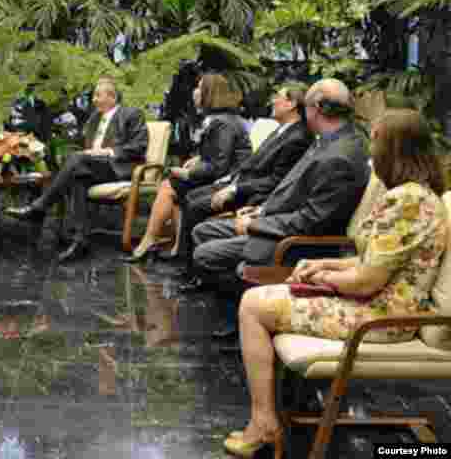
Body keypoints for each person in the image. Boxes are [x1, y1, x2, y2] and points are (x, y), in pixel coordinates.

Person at [222, 109, 447, 457]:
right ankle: (268, 418)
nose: (371, 153)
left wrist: (323, 277)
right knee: (260, 297)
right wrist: (323, 263)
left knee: (253, 306)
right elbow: (376, 261)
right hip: (380, 306)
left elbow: (365, 282)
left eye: (375, 141)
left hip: (381, 319)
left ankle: (264, 424)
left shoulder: (407, 201)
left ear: (395, 148)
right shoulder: (417, 196)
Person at [191, 78, 371, 339]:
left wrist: (255, 225)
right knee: (203, 232)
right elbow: (292, 190)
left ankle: (244, 320)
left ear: (314, 109)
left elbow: (311, 221)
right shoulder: (329, 139)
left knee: (206, 253)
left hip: (295, 244)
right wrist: (260, 211)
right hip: (275, 220)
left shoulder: (338, 156)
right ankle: (235, 315)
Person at [175, 83, 313, 292]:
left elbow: (276, 180)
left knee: (196, 205)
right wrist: (230, 180)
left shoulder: (298, 137)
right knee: (191, 195)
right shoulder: (280, 131)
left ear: (292, 103)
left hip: (256, 194)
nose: (272, 101)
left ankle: (197, 274)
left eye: (278, 96)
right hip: (241, 183)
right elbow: (252, 163)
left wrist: (235, 190)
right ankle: (190, 265)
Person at [7, 78, 149, 262]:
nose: (94, 100)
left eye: (98, 95)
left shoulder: (131, 114)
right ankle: (80, 241)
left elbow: (139, 146)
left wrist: (107, 151)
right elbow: (81, 145)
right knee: (78, 176)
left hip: (118, 167)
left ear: (112, 97)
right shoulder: (94, 119)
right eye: (94, 96)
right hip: (93, 167)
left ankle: (40, 207)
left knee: (77, 161)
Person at [128, 73, 251, 262]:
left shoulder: (222, 123)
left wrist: (188, 172)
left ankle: (152, 241)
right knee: (173, 185)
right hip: (222, 176)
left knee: (171, 185)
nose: (195, 92)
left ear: (209, 93)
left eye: (199, 87)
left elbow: (219, 167)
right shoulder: (220, 119)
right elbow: (218, 153)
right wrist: (199, 158)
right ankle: (175, 247)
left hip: (228, 182)